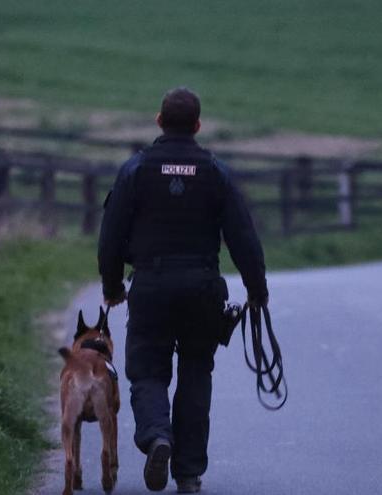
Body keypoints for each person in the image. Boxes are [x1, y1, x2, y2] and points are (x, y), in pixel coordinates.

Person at [98, 87, 269, 493]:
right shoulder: (216, 172)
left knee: (147, 370)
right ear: (197, 126)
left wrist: (112, 285)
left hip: (152, 285)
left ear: (159, 120)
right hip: (202, 287)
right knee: (196, 373)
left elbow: (111, 235)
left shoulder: (136, 170)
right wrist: (256, 289)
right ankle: (189, 474)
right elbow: (243, 236)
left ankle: (158, 436)